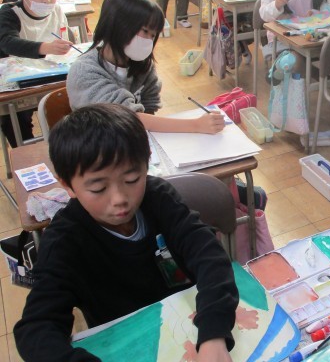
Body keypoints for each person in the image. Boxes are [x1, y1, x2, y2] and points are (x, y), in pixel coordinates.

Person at [13, 103, 239, 361]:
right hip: (123, 342)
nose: (120, 199)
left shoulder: (158, 198)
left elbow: (209, 256)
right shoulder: (64, 241)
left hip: (186, 321)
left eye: (132, 180)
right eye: (98, 189)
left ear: (146, 163)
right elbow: (36, 329)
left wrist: (214, 334)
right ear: (68, 186)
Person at [67, 0, 226, 134]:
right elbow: (127, 118)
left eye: (153, 35)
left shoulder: (141, 64)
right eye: (145, 31)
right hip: (98, 146)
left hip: (131, 140)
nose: (148, 41)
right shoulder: (84, 71)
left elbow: (149, 106)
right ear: (118, 25)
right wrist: (196, 125)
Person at [0, 0, 72, 147]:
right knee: (15, 120)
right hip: (18, 81)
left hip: (53, 74)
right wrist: (46, 48)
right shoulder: (9, 13)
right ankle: (27, 152)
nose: (47, 0)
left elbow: (67, 38)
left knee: (70, 104)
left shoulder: (57, 11)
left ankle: (65, 145)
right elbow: (8, 43)